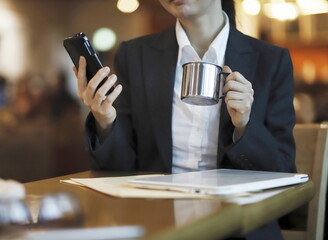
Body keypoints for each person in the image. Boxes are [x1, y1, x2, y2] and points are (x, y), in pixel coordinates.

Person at [73, 1, 296, 239]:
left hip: (241, 225)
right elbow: (117, 171)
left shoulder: (271, 60)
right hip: (158, 223)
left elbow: (282, 172)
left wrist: (243, 126)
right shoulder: (135, 54)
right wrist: (105, 121)